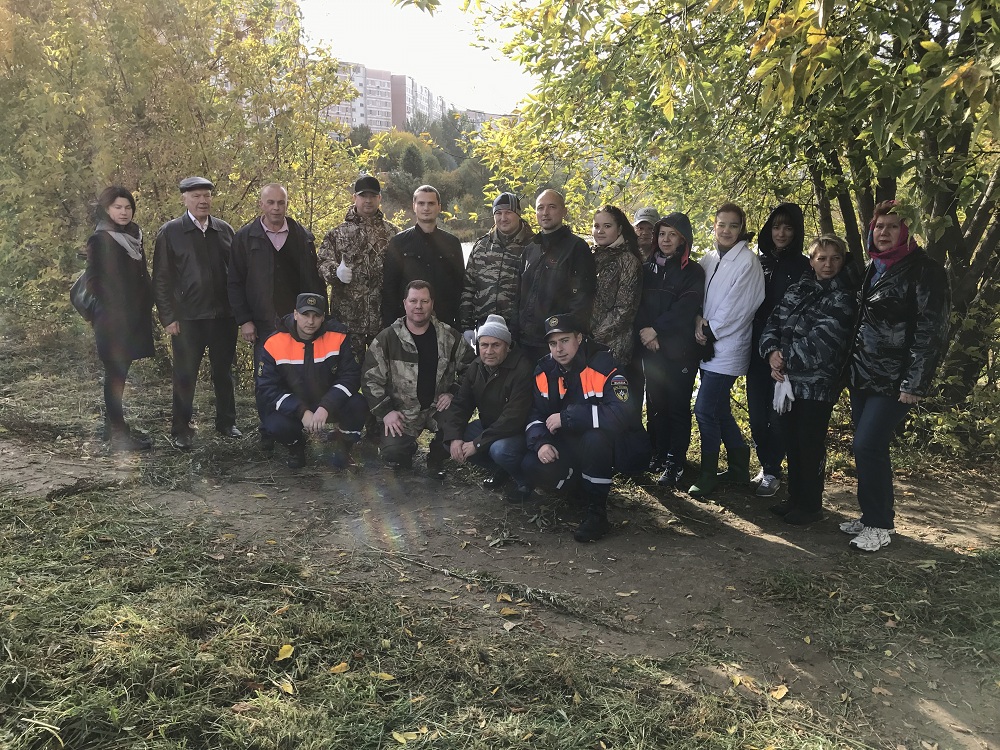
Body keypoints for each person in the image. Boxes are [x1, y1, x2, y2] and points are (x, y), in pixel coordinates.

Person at [843, 201, 951, 552]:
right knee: (865, 447)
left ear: (906, 231)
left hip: (895, 378)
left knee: (867, 444)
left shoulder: (925, 270)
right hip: (863, 373)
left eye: (892, 226)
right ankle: (871, 513)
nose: (884, 232)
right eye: (879, 226)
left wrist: (914, 382)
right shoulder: (872, 267)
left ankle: (880, 525)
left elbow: (930, 330)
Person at [759, 236, 858, 525]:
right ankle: (795, 498)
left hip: (817, 384)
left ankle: (811, 504)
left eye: (834, 258)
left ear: (842, 260)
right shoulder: (797, 289)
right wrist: (771, 354)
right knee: (791, 440)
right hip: (788, 383)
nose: (828, 264)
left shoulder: (843, 297)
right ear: (812, 260)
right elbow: (773, 323)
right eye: (821, 258)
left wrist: (785, 360)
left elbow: (825, 340)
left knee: (809, 442)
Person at [521, 314, 645, 542]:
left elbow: (622, 414)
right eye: (552, 343)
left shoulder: (604, 365)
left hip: (609, 443)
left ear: (579, 337)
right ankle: (577, 492)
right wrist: (541, 442)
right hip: (568, 442)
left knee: (595, 439)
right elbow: (535, 414)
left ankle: (597, 513)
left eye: (565, 340)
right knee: (530, 464)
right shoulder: (544, 370)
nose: (559, 349)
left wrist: (568, 417)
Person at [228, 183, 324, 450]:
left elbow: (313, 281)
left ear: (287, 204)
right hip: (263, 323)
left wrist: (316, 317)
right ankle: (268, 431)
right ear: (261, 204)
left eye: (281, 203)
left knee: (297, 376)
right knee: (265, 380)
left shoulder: (302, 236)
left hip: (299, 324)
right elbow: (235, 282)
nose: (276, 208)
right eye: (270, 202)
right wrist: (244, 320)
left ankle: (294, 431)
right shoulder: (245, 237)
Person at [152, 176, 239, 450]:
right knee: (185, 375)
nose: (203, 201)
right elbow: (161, 279)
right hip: (187, 319)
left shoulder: (224, 230)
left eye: (207, 196)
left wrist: (239, 312)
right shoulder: (171, 232)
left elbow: (236, 274)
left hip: (223, 317)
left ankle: (227, 423)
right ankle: (181, 428)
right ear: (185, 199)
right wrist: (168, 317)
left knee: (223, 373)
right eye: (196, 196)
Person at [689, 202, 765, 496]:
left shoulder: (748, 262)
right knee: (719, 408)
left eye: (733, 225)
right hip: (705, 343)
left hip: (727, 347)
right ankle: (738, 466)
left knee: (705, 409)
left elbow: (740, 308)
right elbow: (699, 296)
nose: (727, 230)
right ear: (714, 226)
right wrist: (698, 321)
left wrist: (708, 330)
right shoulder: (709, 259)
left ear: (741, 228)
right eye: (722, 224)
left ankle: (707, 473)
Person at [363, 280, 474, 477]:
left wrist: (453, 391)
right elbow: (370, 379)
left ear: (432, 303)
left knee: (458, 426)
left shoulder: (450, 337)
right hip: (402, 411)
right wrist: (387, 412)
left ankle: (436, 458)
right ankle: (405, 451)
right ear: (405, 303)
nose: (419, 306)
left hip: (437, 408)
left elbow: (472, 371)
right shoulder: (387, 338)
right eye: (413, 301)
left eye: (424, 301)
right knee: (393, 452)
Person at [256, 293, 368, 469]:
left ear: (323, 317)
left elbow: (351, 377)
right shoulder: (274, 342)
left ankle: (343, 449)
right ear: (295, 314)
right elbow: (267, 387)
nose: (311, 321)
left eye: (316, 316)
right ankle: (296, 448)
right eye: (305, 315)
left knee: (358, 403)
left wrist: (326, 406)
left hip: (327, 402)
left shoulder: (338, 336)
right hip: (293, 406)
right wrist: (301, 411)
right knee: (274, 423)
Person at [635, 213, 706, 486]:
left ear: (683, 240)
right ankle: (657, 453)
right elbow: (637, 304)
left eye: (672, 235)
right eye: (662, 234)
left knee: (676, 406)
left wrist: (657, 330)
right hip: (650, 349)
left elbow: (685, 308)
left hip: (680, 351)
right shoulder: (647, 268)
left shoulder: (693, 271)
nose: (666, 239)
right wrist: (645, 332)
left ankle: (675, 462)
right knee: (655, 404)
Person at [85, 186, 155, 451]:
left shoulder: (134, 235)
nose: (123, 212)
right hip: (112, 321)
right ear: (107, 209)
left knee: (119, 375)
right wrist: (118, 306)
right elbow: (93, 282)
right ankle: (118, 436)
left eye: (127, 207)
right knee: (116, 375)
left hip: (133, 318)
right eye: (117, 207)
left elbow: (141, 274)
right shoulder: (100, 239)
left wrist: (148, 301)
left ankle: (111, 428)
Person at [748, 203, 810, 497]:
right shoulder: (757, 263)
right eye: (776, 227)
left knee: (778, 415)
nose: (781, 233)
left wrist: (783, 351)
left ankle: (773, 469)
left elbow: (803, 313)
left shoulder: (805, 267)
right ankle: (766, 464)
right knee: (757, 414)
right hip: (754, 348)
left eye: (788, 227)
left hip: (784, 353)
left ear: (796, 231)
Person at [439, 314, 535, 501]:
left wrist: (477, 443)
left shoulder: (522, 368)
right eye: (484, 345)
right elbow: (461, 404)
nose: (489, 351)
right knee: (451, 436)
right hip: (490, 426)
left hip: (518, 432)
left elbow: (513, 418)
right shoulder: (476, 367)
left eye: (495, 345)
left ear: (507, 346)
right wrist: (454, 438)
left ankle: (525, 481)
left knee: (499, 450)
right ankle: (501, 470)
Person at [317, 175, 399, 362]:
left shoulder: (393, 233)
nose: (368, 200)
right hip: (347, 320)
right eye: (363, 196)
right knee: (348, 373)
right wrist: (335, 272)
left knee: (383, 373)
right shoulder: (337, 234)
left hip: (383, 319)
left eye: (373, 196)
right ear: (355, 198)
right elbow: (322, 263)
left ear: (379, 198)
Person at [516, 189, 597, 363]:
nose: (545, 213)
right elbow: (518, 295)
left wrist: (566, 338)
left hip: (557, 344)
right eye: (540, 208)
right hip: (525, 343)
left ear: (564, 211)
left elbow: (583, 298)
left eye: (552, 207)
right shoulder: (530, 249)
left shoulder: (576, 248)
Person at [381, 185, 464, 329]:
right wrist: (391, 327)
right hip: (407, 324)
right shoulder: (399, 242)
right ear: (414, 206)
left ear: (439, 207)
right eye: (421, 203)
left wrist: (462, 325)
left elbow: (460, 287)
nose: (426, 208)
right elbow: (389, 288)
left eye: (431, 203)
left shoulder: (452, 243)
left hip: (445, 323)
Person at [459, 192, 533, 337]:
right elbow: (468, 288)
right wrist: (466, 326)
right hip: (485, 328)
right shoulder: (481, 247)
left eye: (508, 212)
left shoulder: (534, 246)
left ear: (518, 214)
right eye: (498, 213)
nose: (503, 218)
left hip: (521, 330)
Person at [590, 205, 643, 366]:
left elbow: (624, 310)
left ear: (619, 229)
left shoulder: (628, 261)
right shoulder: (590, 256)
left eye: (607, 226)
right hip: (585, 344)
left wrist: (593, 337)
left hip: (613, 347)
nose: (600, 231)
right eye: (596, 226)